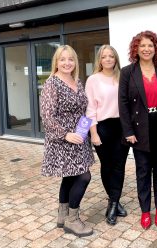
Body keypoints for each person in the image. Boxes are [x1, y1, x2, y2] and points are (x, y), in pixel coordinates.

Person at [118, 30, 157, 230]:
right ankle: (145, 211)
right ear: (136, 48)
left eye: (150, 45)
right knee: (142, 171)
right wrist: (128, 131)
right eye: (142, 45)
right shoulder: (127, 72)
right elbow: (123, 104)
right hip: (138, 127)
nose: (146, 49)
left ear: (156, 48)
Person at [40, 45, 95, 237]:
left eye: (70, 59)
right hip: (63, 141)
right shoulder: (51, 84)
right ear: (56, 61)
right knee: (84, 176)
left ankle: (62, 216)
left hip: (79, 138)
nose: (67, 63)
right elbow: (47, 117)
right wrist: (65, 134)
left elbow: (82, 110)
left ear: (75, 62)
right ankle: (72, 220)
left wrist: (85, 130)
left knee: (70, 176)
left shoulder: (77, 81)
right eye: (62, 59)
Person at [85, 45, 129, 226]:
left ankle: (112, 204)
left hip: (122, 126)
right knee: (107, 166)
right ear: (100, 60)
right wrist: (93, 133)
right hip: (102, 127)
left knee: (119, 166)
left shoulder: (123, 77)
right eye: (105, 57)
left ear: (116, 59)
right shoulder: (93, 80)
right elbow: (90, 109)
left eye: (112, 56)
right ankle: (114, 201)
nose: (109, 59)